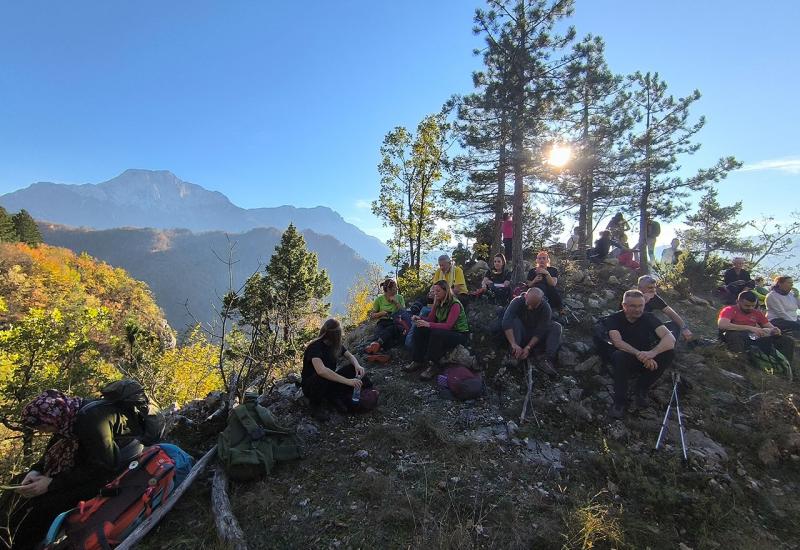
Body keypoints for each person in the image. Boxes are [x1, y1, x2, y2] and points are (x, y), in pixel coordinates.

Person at [5, 390, 149, 550]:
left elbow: (103, 468)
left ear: (51, 419)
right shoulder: (67, 418)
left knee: (44, 504)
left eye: (43, 426)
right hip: (87, 468)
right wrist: (36, 471)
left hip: (110, 473)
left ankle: (21, 545)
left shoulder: (91, 423)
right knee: (19, 483)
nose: (42, 431)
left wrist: (51, 484)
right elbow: (52, 449)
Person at [605, 290, 676, 419]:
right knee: (619, 356)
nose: (638, 309)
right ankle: (619, 401)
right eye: (633, 306)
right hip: (627, 356)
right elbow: (617, 342)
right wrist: (640, 355)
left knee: (669, 353)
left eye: (640, 306)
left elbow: (670, 338)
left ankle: (642, 388)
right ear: (624, 305)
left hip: (646, 355)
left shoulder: (649, 317)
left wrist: (652, 353)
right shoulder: (613, 319)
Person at [403, 280, 470, 381]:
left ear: (445, 291)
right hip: (446, 331)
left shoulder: (455, 304)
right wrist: (420, 319)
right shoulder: (438, 302)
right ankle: (417, 360)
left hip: (459, 333)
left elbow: (448, 326)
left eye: (438, 291)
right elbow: (430, 319)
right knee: (419, 327)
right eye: (434, 291)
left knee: (436, 333)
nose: (435, 293)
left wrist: (428, 324)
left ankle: (434, 365)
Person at [302, 319, 368, 417]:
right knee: (322, 376)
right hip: (312, 386)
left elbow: (350, 356)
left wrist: (357, 365)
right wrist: (348, 381)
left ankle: (362, 389)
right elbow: (321, 371)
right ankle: (315, 406)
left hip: (328, 381)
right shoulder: (315, 347)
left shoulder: (335, 346)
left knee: (351, 368)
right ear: (337, 335)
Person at [717, 290, 794, 362]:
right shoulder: (729, 310)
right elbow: (722, 325)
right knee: (734, 335)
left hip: (752, 338)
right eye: (747, 305)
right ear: (738, 302)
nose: (750, 308)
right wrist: (750, 328)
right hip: (733, 337)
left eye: (753, 306)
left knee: (786, 340)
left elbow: (770, 327)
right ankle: (739, 361)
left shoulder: (757, 313)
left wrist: (775, 331)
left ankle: (784, 365)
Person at [501, 288, 562, 378]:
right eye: (528, 304)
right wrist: (513, 344)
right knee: (514, 321)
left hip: (535, 336)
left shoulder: (546, 308)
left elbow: (541, 331)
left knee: (556, 326)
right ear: (525, 296)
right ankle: (514, 354)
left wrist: (528, 347)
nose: (530, 308)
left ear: (541, 301)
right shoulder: (517, 301)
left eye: (533, 306)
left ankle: (545, 360)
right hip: (519, 333)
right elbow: (506, 322)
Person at [635, 275, 693, 343]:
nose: (653, 290)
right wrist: (643, 301)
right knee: (649, 316)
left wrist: (684, 328)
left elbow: (670, 312)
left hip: (649, 330)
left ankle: (667, 348)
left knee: (675, 324)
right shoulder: (630, 297)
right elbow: (628, 318)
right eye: (650, 287)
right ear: (640, 288)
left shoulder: (653, 297)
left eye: (654, 287)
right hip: (634, 331)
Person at [364, 278, 406, 362]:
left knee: (390, 329)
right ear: (388, 290)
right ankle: (381, 352)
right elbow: (372, 315)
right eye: (395, 288)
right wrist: (381, 313)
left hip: (396, 322)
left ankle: (376, 347)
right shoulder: (379, 300)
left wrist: (395, 302)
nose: (397, 289)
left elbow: (404, 312)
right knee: (379, 331)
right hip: (383, 321)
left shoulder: (399, 298)